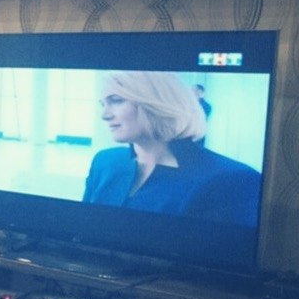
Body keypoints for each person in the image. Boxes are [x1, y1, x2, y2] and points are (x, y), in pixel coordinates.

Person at [82, 71, 261, 226]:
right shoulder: (104, 161)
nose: (104, 115)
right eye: (102, 104)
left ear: (156, 102)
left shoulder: (234, 179)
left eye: (116, 100)